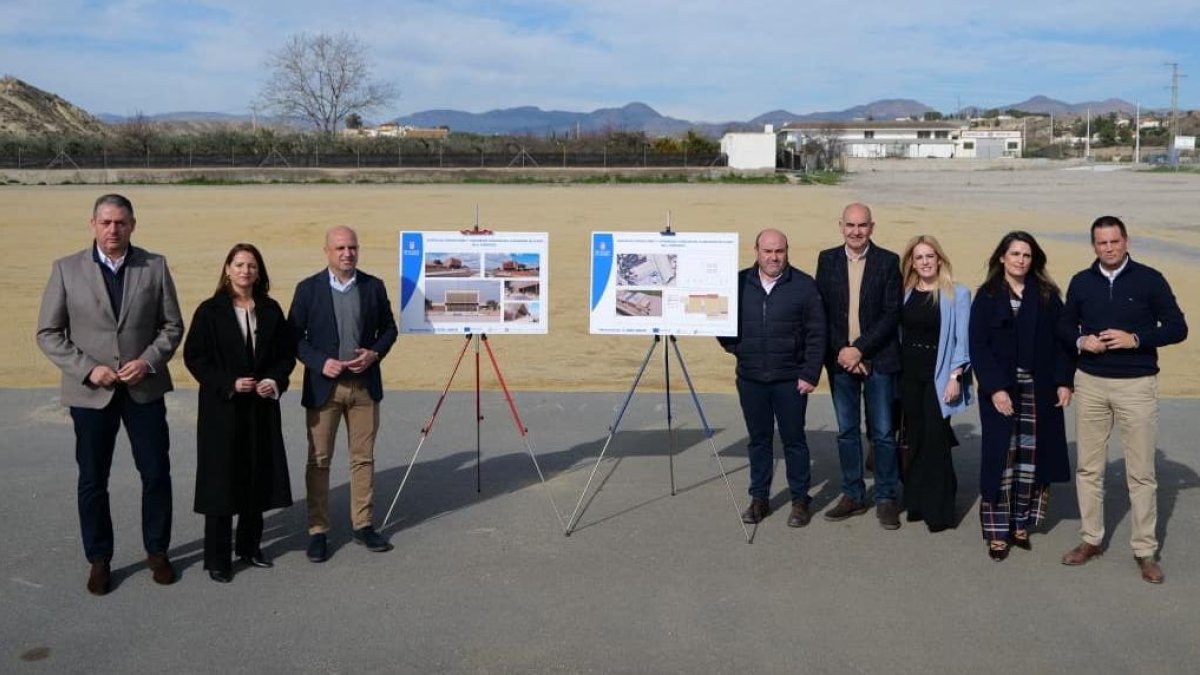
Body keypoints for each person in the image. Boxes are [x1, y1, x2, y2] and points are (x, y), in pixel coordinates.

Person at [36, 194, 184, 595]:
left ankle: (157, 551)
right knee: (92, 479)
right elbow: (48, 333)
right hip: (91, 394)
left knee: (156, 473)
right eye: (105, 222)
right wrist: (88, 369)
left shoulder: (154, 266)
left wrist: (148, 362)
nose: (113, 230)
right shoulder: (66, 269)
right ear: (93, 225)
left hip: (144, 389)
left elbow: (172, 326)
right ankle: (99, 559)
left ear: (133, 224)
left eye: (120, 222)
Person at [1057, 216, 1187, 584]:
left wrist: (1136, 339)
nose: (1109, 248)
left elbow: (1177, 327)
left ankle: (1145, 550)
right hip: (1091, 383)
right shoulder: (1081, 282)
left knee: (1141, 473)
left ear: (1126, 241)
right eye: (1102, 243)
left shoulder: (1150, 279)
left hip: (1136, 384)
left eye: (1114, 241)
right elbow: (1064, 325)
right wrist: (1082, 341)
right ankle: (1091, 539)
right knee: (1089, 468)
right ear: (1093, 245)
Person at [184, 244, 295, 583]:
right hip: (223, 410)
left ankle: (249, 547)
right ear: (227, 269)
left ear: (259, 272)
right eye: (239, 264)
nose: (245, 271)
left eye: (252, 265)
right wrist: (229, 383)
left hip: (260, 409)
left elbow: (285, 354)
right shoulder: (210, 311)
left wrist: (274, 381)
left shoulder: (270, 309)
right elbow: (195, 357)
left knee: (256, 476)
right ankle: (218, 559)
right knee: (221, 482)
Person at [289, 225, 398, 562]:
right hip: (324, 389)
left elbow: (389, 328)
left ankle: (363, 525)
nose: (347, 253)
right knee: (319, 460)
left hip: (364, 388)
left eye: (352, 247)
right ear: (327, 251)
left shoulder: (373, 286)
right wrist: (320, 363)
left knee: (362, 458)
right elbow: (294, 337)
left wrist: (374, 353)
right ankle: (318, 530)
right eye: (340, 248)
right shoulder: (308, 289)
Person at [969, 232, 1074, 561]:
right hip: (1000, 389)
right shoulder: (987, 295)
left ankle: (1020, 524)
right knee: (1002, 459)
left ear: (1034, 260)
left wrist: (1064, 381)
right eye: (1015, 254)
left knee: (1031, 457)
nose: (1021, 260)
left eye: (1027, 255)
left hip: (1039, 389)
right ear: (1002, 257)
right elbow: (978, 345)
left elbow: (1064, 342)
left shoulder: (1047, 295)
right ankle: (997, 532)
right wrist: (995, 388)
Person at [718, 229, 826, 528]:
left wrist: (810, 373)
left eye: (779, 251)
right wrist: (738, 349)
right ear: (757, 251)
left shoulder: (804, 285)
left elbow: (817, 333)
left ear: (787, 251)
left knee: (794, 440)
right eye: (768, 251)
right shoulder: (739, 283)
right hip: (751, 377)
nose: (774, 257)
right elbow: (720, 320)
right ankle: (759, 499)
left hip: (790, 379)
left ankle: (800, 499)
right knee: (759, 441)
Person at [815, 202, 904, 529]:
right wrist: (844, 350)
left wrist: (860, 350)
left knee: (883, 432)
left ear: (871, 227)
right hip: (841, 361)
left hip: (878, 359)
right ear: (841, 226)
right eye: (850, 225)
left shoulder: (888, 261)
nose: (856, 231)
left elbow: (892, 314)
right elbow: (822, 310)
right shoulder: (827, 259)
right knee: (846, 431)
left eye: (862, 225)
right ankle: (853, 494)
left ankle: (886, 497)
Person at [898, 235, 971, 533]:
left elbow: (962, 341)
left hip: (939, 377)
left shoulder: (957, 293)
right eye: (919, 257)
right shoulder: (904, 293)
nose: (925, 262)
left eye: (930, 256)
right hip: (908, 375)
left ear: (939, 259)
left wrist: (956, 377)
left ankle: (939, 511)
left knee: (936, 439)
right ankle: (916, 502)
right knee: (915, 437)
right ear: (912, 262)